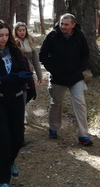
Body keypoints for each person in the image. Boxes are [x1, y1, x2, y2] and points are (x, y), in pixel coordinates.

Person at [0, 20, 33, 187]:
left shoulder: (15, 50)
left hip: (17, 98)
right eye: (0, 35)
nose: (4, 38)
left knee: (18, 138)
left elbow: (23, 69)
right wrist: (0, 80)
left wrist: (24, 78)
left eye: (6, 35)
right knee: (3, 139)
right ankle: (3, 179)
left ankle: (10, 160)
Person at [39, 13, 93, 146]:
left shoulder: (79, 36)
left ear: (73, 25)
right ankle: (53, 128)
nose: (63, 26)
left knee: (80, 104)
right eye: (61, 23)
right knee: (56, 103)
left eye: (66, 24)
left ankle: (83, 135)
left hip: (76, 77)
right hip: (58, 78)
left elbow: (85, 54)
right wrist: (53, 69)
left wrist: (81, 68)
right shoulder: (52, 36)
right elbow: (43, 55)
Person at [14, 22, 44, 122]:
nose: (22, 32)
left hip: (29, 72)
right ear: (16, 31)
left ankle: (22, 108)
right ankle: (21, 113)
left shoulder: (30, 42)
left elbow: (36, 60)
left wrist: (39, 75)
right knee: (21, 92)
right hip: (17, 73)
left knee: (29, 92)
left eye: (23, 30)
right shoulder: (14, 43)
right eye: (20, 30)